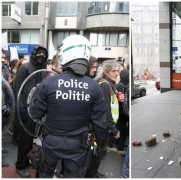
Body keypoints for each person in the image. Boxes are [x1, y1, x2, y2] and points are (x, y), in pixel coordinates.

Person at [28, 35, 107, 178]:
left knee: (45, 174)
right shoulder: (94, 87)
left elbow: (35, 114)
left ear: (65, 54)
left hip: (51, 141)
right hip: (79, 145)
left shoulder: (48, 83)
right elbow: (100, 123)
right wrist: (102, 146)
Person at [12, 45, 48, 178]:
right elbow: (17, 89)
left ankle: (27, 161)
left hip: (36, 112)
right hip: (24, 111)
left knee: (32, 139)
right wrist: (21, 109)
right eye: (39, 54)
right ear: (34, 54)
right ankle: (20, 165)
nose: (41, 56)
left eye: (44, 54)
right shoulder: (25, 67)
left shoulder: (43, 70)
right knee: (25, 140)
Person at [85, 60, 122, 178]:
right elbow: (105, 110)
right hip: (101, 127)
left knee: (98, 152)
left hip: (102, 126)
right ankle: (92, 174)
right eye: (113, 71)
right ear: (106, 72)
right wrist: (113, 129)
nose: (116, 74)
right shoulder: (105, 85)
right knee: (98, 152)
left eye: (118, 71)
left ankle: (92, 173)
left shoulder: (108, 84)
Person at [108, 68, 129, 155]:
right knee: (121, 131)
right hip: (120, 114)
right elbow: (120, 101)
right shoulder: (121, 86)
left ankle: (113, 146)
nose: (116, 74)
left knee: (118, 131)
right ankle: (118, 148)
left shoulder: (120, 85)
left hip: (119, 114)